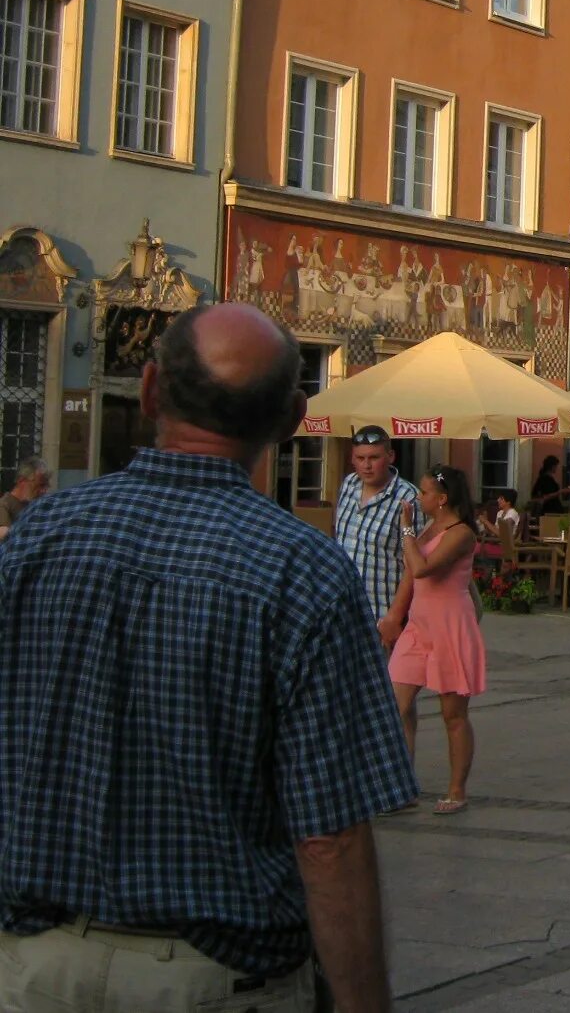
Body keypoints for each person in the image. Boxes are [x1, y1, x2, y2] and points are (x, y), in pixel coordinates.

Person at [0, 303, 414, 1012]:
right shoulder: (302, 571)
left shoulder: (35, 538)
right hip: (211, 977)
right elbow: (331, 839)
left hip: (31, 965)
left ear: (151, 389)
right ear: (290, 419)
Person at [384, 465, 487, 814]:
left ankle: (457, 790)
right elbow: (411, 577)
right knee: (394, 704)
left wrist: (406, 529)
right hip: (418, 626)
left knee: (452, 714)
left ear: (442, 499)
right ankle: (401, 785)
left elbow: (424, 568)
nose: (418, 497)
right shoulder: (429, 528)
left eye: (425, 493)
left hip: (450, 626)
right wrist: (394, 616)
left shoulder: (462, 534)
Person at [335, 424, 423, 641]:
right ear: (352, 458)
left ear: (390, 456)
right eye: (360, 458)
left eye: (374, 458)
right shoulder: (348, 485)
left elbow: (414, 564)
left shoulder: (408, 498)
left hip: (382, 617)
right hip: (344, 613)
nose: (366, 466)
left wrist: (394, 617)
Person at [0, 455, 51, 540]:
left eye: (46, 486)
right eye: (40, 485)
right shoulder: (4, 504)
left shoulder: (37, 505)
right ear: (22, 481)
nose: (43, 491)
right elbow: (3, 535)